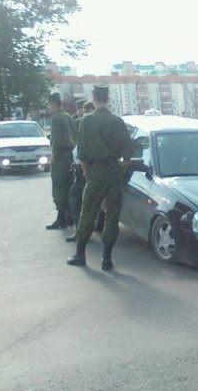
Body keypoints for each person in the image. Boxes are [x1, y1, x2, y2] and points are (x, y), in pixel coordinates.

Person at [67, 86, 132, 271]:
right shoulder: (118, 121)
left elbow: (82, 153)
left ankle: (80, 254)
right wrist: (119, 168)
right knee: (112, 216)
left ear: (94, 98)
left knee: (87, 212)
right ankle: (107, 260)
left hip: (94, 172)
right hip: (113, 172)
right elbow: (128, 152)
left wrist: (88, 173)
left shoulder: (87, 120)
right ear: (108, 98)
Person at [66, 101, 95, 242]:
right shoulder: (85, 124)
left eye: (85, 110)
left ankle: (81, 232)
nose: (82, 113)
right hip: (82, 168)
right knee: (82, 201)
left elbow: (84, 152)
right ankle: (82, 230)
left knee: (77, 200)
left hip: (86, 171)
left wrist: (82, 169)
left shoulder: (87, 124)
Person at [47, 93, 76, 230]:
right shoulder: (68, 116)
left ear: (54, 103)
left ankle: (61, 218)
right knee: (69, 187)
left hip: (61, 157)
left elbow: (56, 141)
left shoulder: (56, 118)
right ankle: (69, 217)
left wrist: (54, 157)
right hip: (71, 156)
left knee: (59, 188)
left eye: (50, 104)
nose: (49, 107)